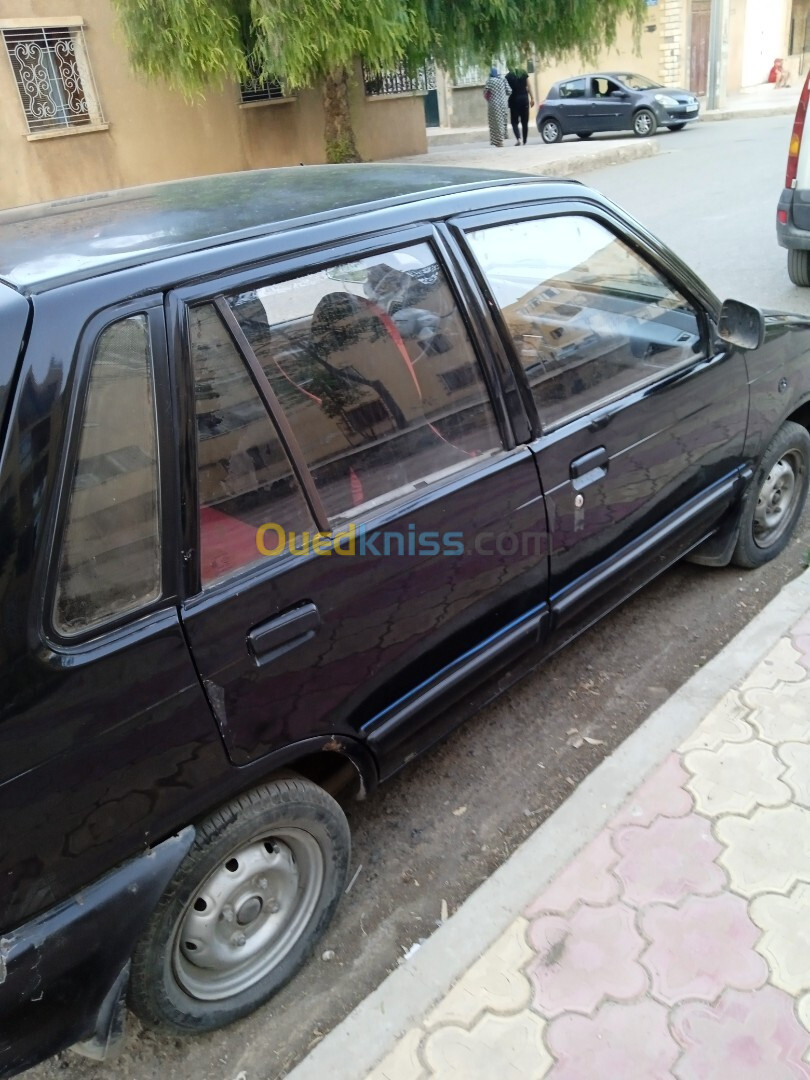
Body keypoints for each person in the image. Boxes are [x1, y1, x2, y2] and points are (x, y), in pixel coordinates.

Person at [505, 64, 534, 145]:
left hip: (514, 101)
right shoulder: (523, 73)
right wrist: (532, 98)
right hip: (524, 99)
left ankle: (519, 138)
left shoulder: (507, 77)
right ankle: (524, 141)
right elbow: (529, 86)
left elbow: (506, 90)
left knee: (514, 122)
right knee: (525, 122)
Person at [483, 66, 509, 147]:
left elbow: (485, 93)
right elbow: (509, 91)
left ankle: (498, 141)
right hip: (503, 104)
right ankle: (501, 139)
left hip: (493, 105)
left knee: (495, 123)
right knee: (502, 121)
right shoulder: (503, 79)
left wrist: (489, 99)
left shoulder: (489, 81)